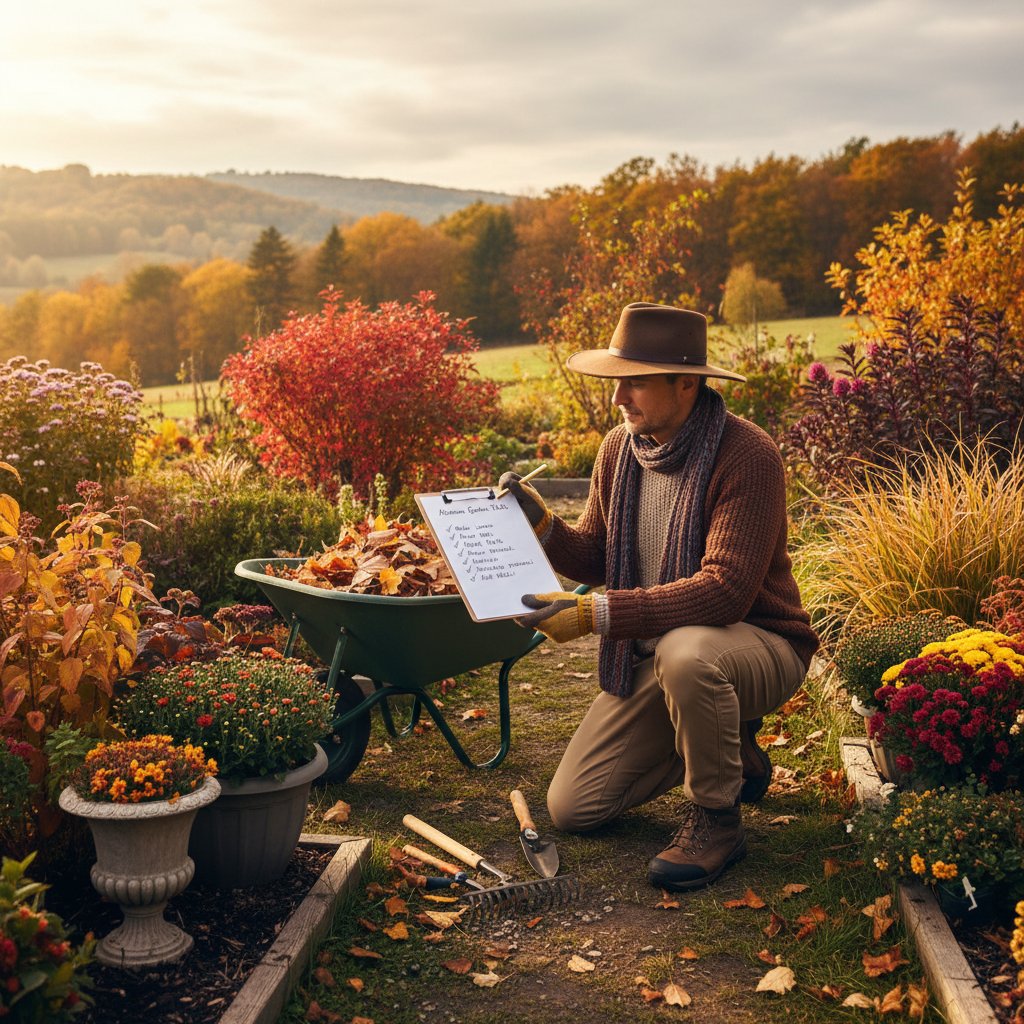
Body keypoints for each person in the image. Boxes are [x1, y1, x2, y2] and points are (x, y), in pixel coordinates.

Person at [500, 302, 819, 893]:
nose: (618, 397)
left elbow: (723, 592)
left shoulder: (746, 455)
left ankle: (716, 819)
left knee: (686, 653)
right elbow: (598, 555)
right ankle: (730, 747)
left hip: (761, 644)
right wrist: (541, 525)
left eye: (636, 382)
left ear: (686, 383)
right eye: (616, 380)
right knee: (574, 808)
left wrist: (595, 614)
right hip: (665, 660)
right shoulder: (620, 449)